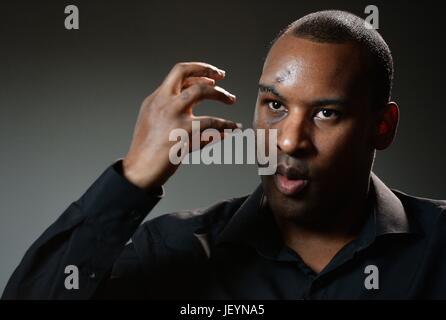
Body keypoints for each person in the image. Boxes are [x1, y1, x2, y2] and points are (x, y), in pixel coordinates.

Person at [3, 10, 446, 300]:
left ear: (381, 127)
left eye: (327, 113)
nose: (290, 141)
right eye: (275, 105)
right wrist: (134, 176)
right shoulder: (175, 251)